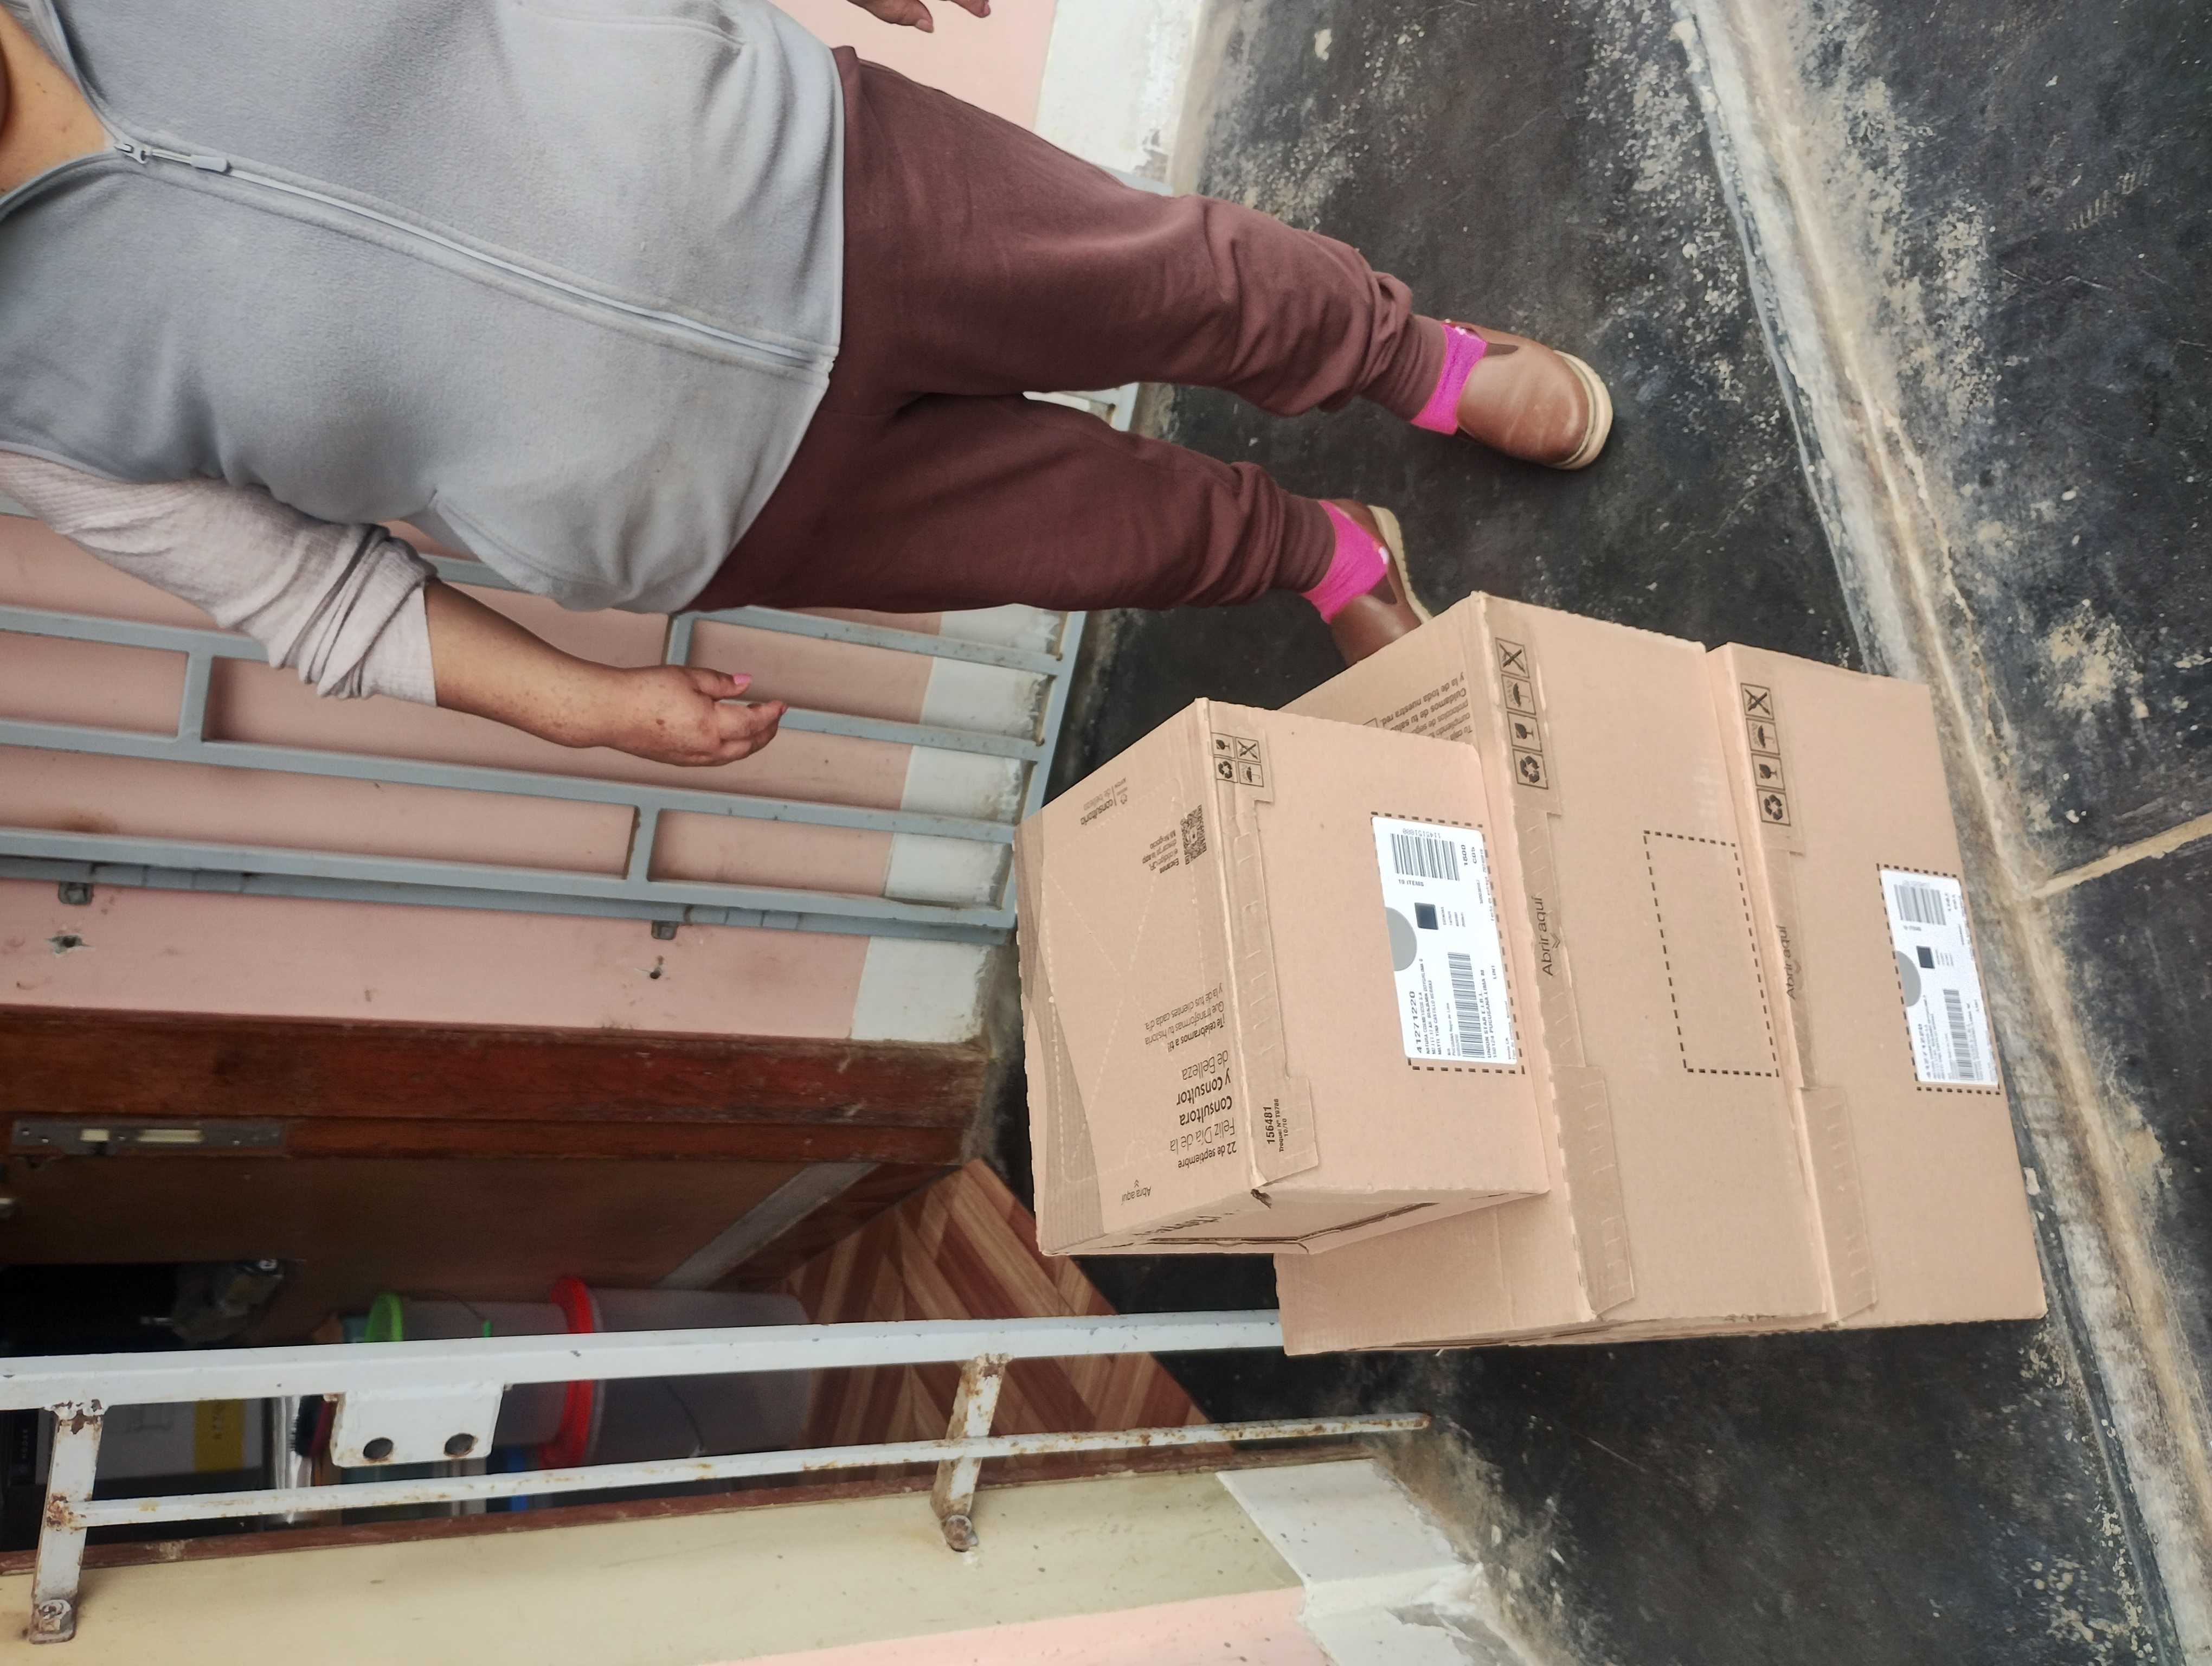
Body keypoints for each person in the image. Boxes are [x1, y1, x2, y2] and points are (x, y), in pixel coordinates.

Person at [0, 0, 1608, 769]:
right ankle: (1323, 551)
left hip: (799, 171)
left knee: (1181, 280)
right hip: (705, 505)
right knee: (1098, 539)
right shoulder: (20, 405)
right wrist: (588, 705)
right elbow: (311, 596)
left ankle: (1414, 360)